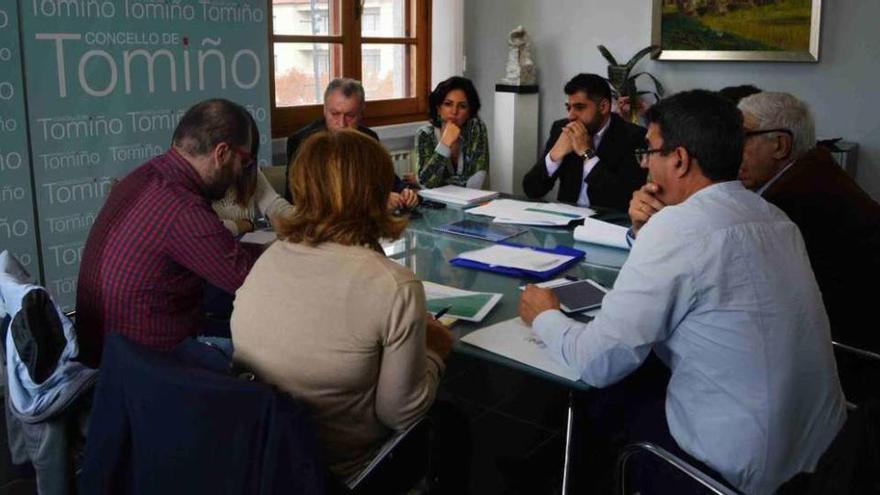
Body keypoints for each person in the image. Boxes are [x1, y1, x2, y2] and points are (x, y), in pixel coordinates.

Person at [520, 90, 846, 494]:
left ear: (679, 159)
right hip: (824, 456)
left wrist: (545, 315)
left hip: (738, 473)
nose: (645, 164)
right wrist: (646, 233)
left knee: (604, 395)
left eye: (649, 151)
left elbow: (597, 361)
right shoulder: (774, 218)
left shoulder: (678, 228)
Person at [231, 129, 454, 480]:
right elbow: (400, 414)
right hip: (341, 472)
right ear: (378, 192)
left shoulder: (269, 256)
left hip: (262, 458)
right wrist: (435, 351)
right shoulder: (395, 285)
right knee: (454, 426)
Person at [76, 99, 261, 367]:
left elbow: (219, 252)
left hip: (107, 356)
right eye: (243, 161)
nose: (240, 173)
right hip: (146, 368)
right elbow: (252, 282)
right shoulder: (183, 208)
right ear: (222, 153)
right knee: (275, 360)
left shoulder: (145, 176)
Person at [737, 91, 880, 353]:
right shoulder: (815, 167)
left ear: (780, 145)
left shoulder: (788, 203)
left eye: (742, 137)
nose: (731, 149)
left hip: (848, 347)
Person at [285, 78, 417, 209]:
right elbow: (301, 199)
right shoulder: (303, 142)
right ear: (324, 110)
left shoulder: (368, 139)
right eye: (335, 114)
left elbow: (388, 178)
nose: (342, 123)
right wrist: (375, 200)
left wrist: (404, 192)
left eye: (350, 116)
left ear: (361, 113)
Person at [522, 73, 646, 211]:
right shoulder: (562, 129)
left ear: (603, 107)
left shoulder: (633, 137)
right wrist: (554, 156)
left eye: (579, 107)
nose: (571, 116)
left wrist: (587, 153)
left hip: (606, 220)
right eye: (569, 108)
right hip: (567, 217)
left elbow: (623, 199)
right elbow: (532, 190)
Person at [213, 113, 294, 235]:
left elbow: (273, 203)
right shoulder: (200, 178)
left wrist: (295, 219)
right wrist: (244, 225)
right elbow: (205, 227)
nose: (242, 167)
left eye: (247, 160)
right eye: (243, 158)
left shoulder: (248, 169)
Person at [416, 76, 490, 189]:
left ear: (469, 112)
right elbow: (426, 183)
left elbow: (475, 183)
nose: (454, 111)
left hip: (473, 198)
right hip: (435, 199)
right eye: (448, 104)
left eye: (462, 106)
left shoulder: (476, 128)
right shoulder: (425, 134)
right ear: (438, 108)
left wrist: (438, 182)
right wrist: (445, 143)